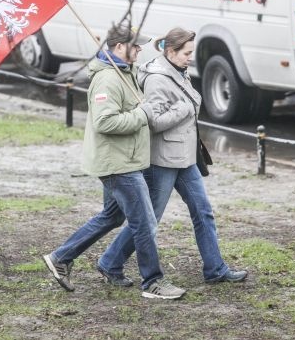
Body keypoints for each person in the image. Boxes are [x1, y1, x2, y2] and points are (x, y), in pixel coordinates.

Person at [43, 23, 186, 300]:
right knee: (145, 222)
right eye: (136, 45)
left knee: (113, 215)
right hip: (119, 164)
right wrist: (142, 114)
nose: (141, 49)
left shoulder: (126, 71)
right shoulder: (108, 79)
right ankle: (153, 282)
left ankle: (62, 257)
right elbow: (105, 122)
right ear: (119, 47)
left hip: (125, 159)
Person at [97, 27, 248, 285]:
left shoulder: (177, 69)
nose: (191, 57)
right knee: (148, 220)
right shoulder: (158, 78)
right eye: (187, 53)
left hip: (185, 157)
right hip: (162, 160)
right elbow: (153, 121)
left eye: (191, 52)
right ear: (170, 51)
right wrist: (183, 108)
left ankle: (215, 269)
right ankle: (110, 262)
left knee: (203, 212)